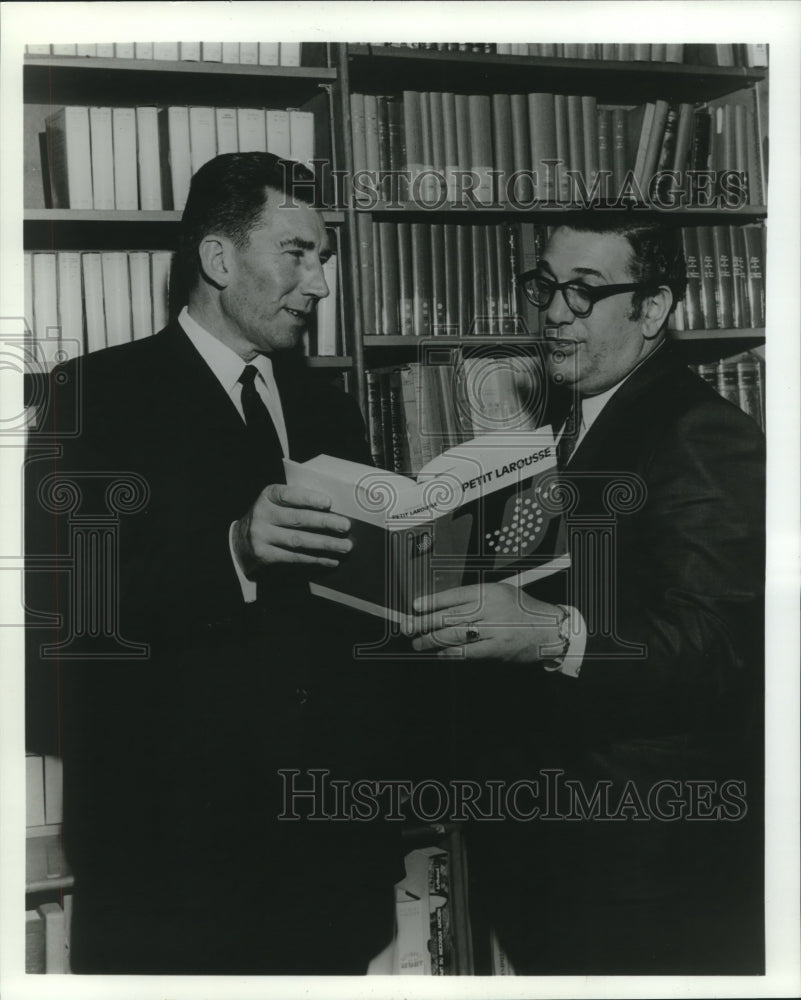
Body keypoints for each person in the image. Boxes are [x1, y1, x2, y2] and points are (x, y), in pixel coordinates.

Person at [24, 153, 406, 974]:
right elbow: (67, 615)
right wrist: (230, 551)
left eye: (324, 257)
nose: (320, 284)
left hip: (325, 860)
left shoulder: (328, 404)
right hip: (175, 865)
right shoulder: (94, 397)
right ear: (219, 259)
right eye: (298, 253)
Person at [412, 217, 765, 974]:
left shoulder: (700, 433)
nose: (554, 311)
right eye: (545, 285)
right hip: (550, 844)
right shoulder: (559, 425)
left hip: (645, 866)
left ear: (653, 308)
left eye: (585, 291)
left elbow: (722, 649)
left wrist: (554, 635)